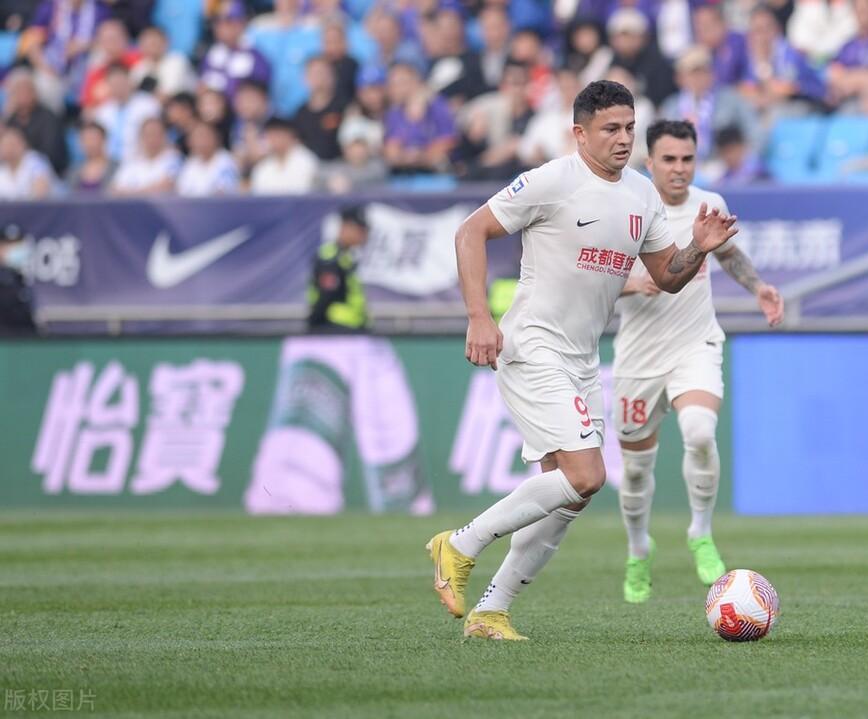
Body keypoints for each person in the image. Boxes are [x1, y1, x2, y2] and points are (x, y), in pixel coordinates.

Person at [426, 80, 739, 641]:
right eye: (610, 129)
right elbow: (471, 231)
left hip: (582, 360)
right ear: (580, 133)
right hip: (533, 344)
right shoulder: (552, 180)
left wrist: (698, 247)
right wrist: (479, 316)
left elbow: (668, 277)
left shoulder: (641, 194)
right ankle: (461, 543)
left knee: (569, 495)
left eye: (629, 128)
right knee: (587, 474)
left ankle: (492, 612)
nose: (623, 139)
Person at [614, 119, 782, 604]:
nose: (679, 169)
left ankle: (700, 533)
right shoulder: (625, 209)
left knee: (700, 432)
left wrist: (758, 287)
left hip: (695, 343)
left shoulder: (710, 205)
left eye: (687, 159)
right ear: (650, 162)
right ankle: (638, 549)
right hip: (639, 356)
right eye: (669, 159)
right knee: (636, 471)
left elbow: (727, 254)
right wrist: (632, 283)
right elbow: (591, 274)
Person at [307, 205, 369, 332]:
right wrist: (314, 325)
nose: (365, 235)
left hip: (349, 329)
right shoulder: (330, 257)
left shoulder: (346, 257)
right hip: (334, 330)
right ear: (345, 228)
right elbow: (326, 296)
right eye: (360, 230)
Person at [249, 117, 319, 194]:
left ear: (290, 135)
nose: (273, 139)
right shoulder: (263, 167)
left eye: (277, 134)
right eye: (269, 135)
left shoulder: (306, 160)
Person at [177, 122, 241, 197]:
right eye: (197, 137)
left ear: (215, 138)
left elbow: (223, 194)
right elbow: (181, 192)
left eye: (203, 136)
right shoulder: (191, 163)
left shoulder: (226, 161)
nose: (200, 141)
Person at [0, 223, 35, 335]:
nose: (15, 250)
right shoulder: (5, 280)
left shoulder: (17, 278)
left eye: (18, 245)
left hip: (21, 340)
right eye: (9, 246)